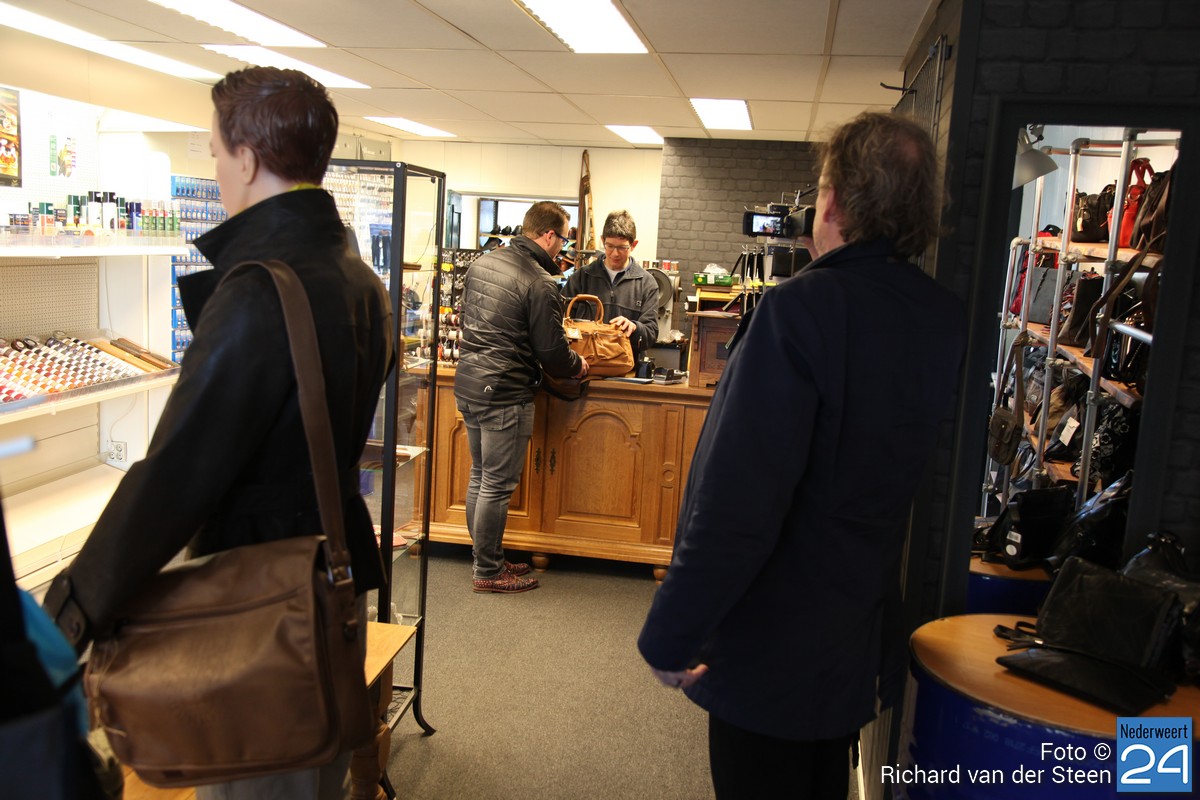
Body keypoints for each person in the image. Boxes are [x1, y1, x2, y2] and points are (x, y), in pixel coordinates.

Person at [42, 66, 394, 800]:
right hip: (331, 571)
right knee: (315, 773)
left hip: (258, 601)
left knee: (261, 780)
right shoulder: (358, 277)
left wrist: (70, 614)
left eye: (214, 153)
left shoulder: (262, 287)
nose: (216, 171)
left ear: (248, 158)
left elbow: (178, 473)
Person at [637, 111, 967, 799]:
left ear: (836, 200)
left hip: (771, 643)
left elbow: (738, 501)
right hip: (854, 633)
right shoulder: (937, 317)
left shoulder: (801, 311)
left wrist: (672, 631)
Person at [453, 201, 588, 593]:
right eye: (564, 239)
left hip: (470, 383)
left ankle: (487, 558)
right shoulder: (539, 281)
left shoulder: (484, 263)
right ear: (548, 235)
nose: (563, 247)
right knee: (496, 484)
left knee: (481, 476)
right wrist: (578, 364)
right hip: (505, 391)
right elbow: (552, 352)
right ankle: (488, 571)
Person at [562, 210, 660, 354]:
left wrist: (635, 328)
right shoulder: (582, 277)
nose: (615, 253)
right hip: (585, 362)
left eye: (622, 247)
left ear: (633, 245)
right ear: (602, 240)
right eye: (610, 246)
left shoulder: (646, 283)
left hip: (625, 364)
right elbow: (560, 321)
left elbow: (651, 333)